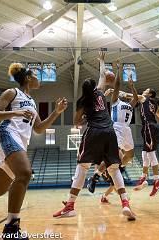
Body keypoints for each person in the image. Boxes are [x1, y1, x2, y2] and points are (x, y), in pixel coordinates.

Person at [0, 62, 67, 239]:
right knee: (25, 174)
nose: (39, 80)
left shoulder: (33, 103)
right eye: (36, 75)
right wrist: (15, 113)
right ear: (28, 77)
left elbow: (39, 128)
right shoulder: (13, 92)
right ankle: (11, 228)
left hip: (19, 142)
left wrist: (56, 112)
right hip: (7, 134)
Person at [53, 52, 136, 220]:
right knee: (114, 169)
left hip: (94, 132)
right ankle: (125, 203)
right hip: (110, 132)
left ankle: (69, 206)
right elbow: (102, 75)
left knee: (82, 167)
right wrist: (103, 61)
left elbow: (76, 121)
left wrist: (86, 117)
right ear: (94, 87)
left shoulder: (82, 101)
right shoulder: (99, 92)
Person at [111, 87, 159, 196]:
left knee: (150, 153)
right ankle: (144, 177)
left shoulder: (144, 99)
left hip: (149, 127)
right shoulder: (153, 103)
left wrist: (114, 91)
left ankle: (157, 181)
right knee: (144, 153)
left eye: (146, 90)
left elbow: (131, 96)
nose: (144, 91)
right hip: (148, 127)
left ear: (149, 94)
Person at [86, 61, 138, 195]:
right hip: (116, 128)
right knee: (116, 155)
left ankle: (114, 167)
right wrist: (118, 70)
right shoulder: (115, 101)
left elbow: (136, 99)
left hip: (126, 129)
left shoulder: (128, 104)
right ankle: (95, 177)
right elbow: (118, 85)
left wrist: (132, 87)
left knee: (130, 155)